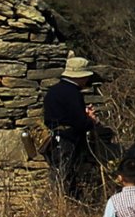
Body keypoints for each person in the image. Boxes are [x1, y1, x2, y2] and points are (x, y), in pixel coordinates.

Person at [40, 54, 103, 203]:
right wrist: (91, 120)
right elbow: (79, 122)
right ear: (80, 76)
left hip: (56, 138)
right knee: (66, 176)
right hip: (68, 141)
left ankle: (61, 205)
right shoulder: (73, 93)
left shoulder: (54, 91)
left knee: (59, 175)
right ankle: (65, 205)